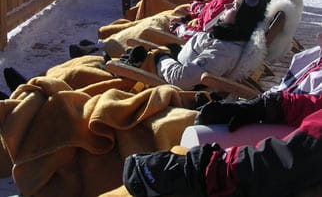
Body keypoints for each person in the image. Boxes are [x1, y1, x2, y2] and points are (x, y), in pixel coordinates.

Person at [122, 35, 322, 197]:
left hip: (261, 166)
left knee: (146, 121)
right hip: (256, 153)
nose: (229, 6)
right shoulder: (311, 57)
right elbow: (311, 106)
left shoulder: (229, 46)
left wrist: (159, 58)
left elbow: (305, 152)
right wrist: (260, 107)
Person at [152, 0, 270, 90]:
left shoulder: (224, 52)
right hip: (178, 64)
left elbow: (181, 78)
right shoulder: (226, 37)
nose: (226, 5)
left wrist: (161, 58)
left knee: (148, 34)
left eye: (234, 6)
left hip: (173, 81)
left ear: (242, 19)